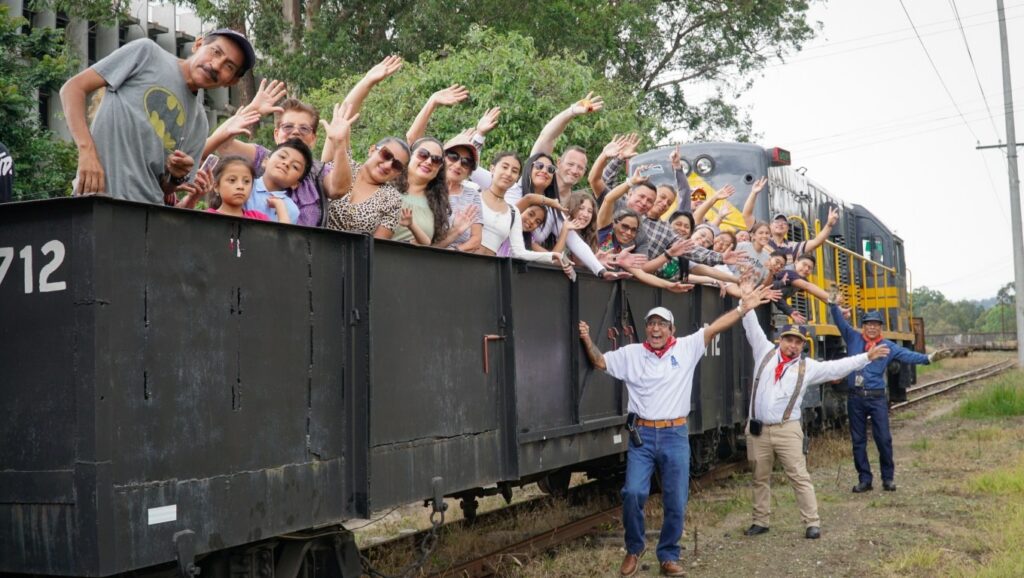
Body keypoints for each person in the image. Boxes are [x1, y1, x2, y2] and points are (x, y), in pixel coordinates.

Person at [579, 286, 773, 577]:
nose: (655, 329)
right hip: (642, 437)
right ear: (646, 328)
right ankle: (634, 548)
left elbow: (715, 328)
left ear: (672, 329)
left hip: (674, 435)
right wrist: (586, 338)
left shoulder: (686, 348)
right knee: (633, 492)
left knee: (676, 500)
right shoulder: (632, 354)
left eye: (662, 324)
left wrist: (742, 309)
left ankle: (668, 555)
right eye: (651, 324)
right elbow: (600, 361)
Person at [739, 315, 892, 540]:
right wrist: (745, 303)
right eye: (789, 340)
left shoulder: (807, 367)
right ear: (780, 339)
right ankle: (760, 520)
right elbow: (751, 326)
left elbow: (836, 367)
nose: (792, 345)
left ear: (803, 345)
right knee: (759, 476)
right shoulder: (764, 352)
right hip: (758, 430)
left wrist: (866, 357)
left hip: (787, 429)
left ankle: (812, 522)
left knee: (799, 476)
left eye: (797, 342)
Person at [60, 29, 255, 203]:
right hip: (95, 199)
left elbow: (165, 189)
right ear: (198, 44)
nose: (216, 65)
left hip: (149, 216)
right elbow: (72, 88)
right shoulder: (146, 53)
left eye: (229, 66)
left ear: (231, 82)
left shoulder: (199, 124)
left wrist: (175, 176)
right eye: (216, 51)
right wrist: (87, 152)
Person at [828, 305, 953, 493]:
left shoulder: (887, 346)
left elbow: (908, 355)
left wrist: (929, 358)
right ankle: (865, 480)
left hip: (877, 398)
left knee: (884, 439)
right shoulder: (853, 337)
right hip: (856, 398)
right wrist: (832, 304)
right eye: (868, 324)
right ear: (863, 326)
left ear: (880, 328)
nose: (872, 328)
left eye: (876, 325)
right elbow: (839, 322)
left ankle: (887, 478)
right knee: (858, 440)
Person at [204, 81, 356, 226]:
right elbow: (223, 144)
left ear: (313, 139)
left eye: (304, 128)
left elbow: (339, 189)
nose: (296, 132)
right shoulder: (262, 156)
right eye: (288, 126)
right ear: (277, 134)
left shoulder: (317, 170)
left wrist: (339, 144)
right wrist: (253, 109)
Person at [392, 137, 451, 245]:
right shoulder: (387, 185)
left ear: (440, 168)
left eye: (436, 160)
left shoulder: (438, 204)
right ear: (410, 155)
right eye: (423, 154)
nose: (428, 162)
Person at [241, 139, 313, 223]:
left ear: (295, 184)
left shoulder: (291, 210)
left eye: (295, 166)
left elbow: (283, 231)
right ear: (265, 161)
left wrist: (280, 208)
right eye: (282, 157)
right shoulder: (242, 185)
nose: (286, 163)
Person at [204, 155, 280, 222]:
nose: (241, 186)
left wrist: (280, 206)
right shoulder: (206, 218)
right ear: (216, 187)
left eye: (246, 181)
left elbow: (281, 233)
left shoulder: (258, 219)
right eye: (232, 180)